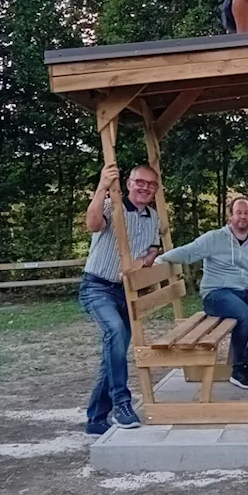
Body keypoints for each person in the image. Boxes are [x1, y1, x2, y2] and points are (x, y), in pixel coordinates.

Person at [155, 197, 248, 390]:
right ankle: (238, 370)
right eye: (238, 212)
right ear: (230, 216)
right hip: (216, 294)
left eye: (246, 213)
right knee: (243, 314)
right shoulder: (214, 238)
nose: (242, 216)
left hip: (244, 293)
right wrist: (159, 260)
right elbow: (188, 252)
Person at [79, 164, 162, 434]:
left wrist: (141, 262)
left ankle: (95, 420)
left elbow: (152, 251)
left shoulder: (153, 217)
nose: (144, 187)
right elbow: (91, 225)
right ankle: (121, 403)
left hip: (126, 292)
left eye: (150, 184)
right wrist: (102, 185)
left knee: (113, 353)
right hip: (98, 287)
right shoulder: (111, 205)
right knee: (114, 331)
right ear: (129, 183)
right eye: (140, 182)